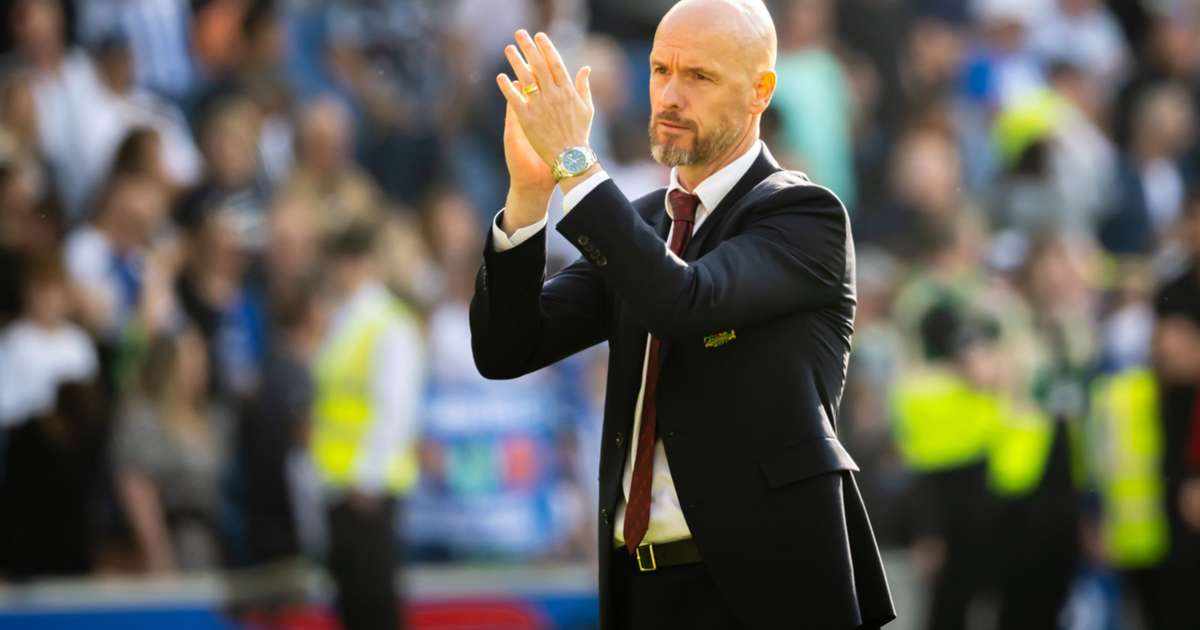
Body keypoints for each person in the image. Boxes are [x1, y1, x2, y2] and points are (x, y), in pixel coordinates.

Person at [470, 1, 895, 628]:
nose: (670, 95)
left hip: (768, 593)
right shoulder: (645, 224)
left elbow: (682, 301)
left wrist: (575, 163)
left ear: (760, 92)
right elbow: (508, 348)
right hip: (642, 590)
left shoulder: (805, 215)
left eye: (699, 76)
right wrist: (529, 196)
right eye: (660, 70)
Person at [311, 222, 424, 630]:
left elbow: (396, 408)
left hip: (368, 489)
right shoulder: (345, 319)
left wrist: (368, 477)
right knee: (353, 606)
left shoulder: (388, 322)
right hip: (340, 485)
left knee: (373, 604)